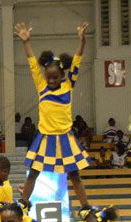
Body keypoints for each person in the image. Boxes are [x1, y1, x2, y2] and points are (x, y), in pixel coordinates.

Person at [14, 22, 91, 207]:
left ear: (62, 75)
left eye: (55, 77)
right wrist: (26, 42)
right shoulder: (41, 86)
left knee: (74, 175)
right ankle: (24, 203)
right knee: (33, 172)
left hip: (65, 137)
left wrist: (82, 41)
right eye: (48, 77)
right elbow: (33, 64)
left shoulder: (68, 85)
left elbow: (78, 60)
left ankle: (86, 207)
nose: (51, 80)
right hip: (45, 137)